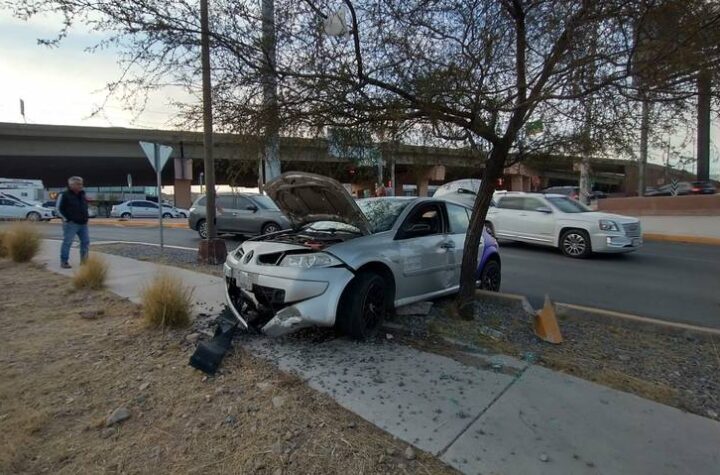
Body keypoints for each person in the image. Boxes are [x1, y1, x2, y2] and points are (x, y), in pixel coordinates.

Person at [56, 176, 90, 268]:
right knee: (68, 242)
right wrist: (67, 219)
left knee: (85, 242)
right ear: (71, 185)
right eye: (78, 184)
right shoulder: (64, 195)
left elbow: (84, 207)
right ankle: (64, 261)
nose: (81, 186)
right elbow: (58, 209)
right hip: (71, 224)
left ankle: (84, 261)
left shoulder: (82, 194)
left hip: (83, 224)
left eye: (81, 184)